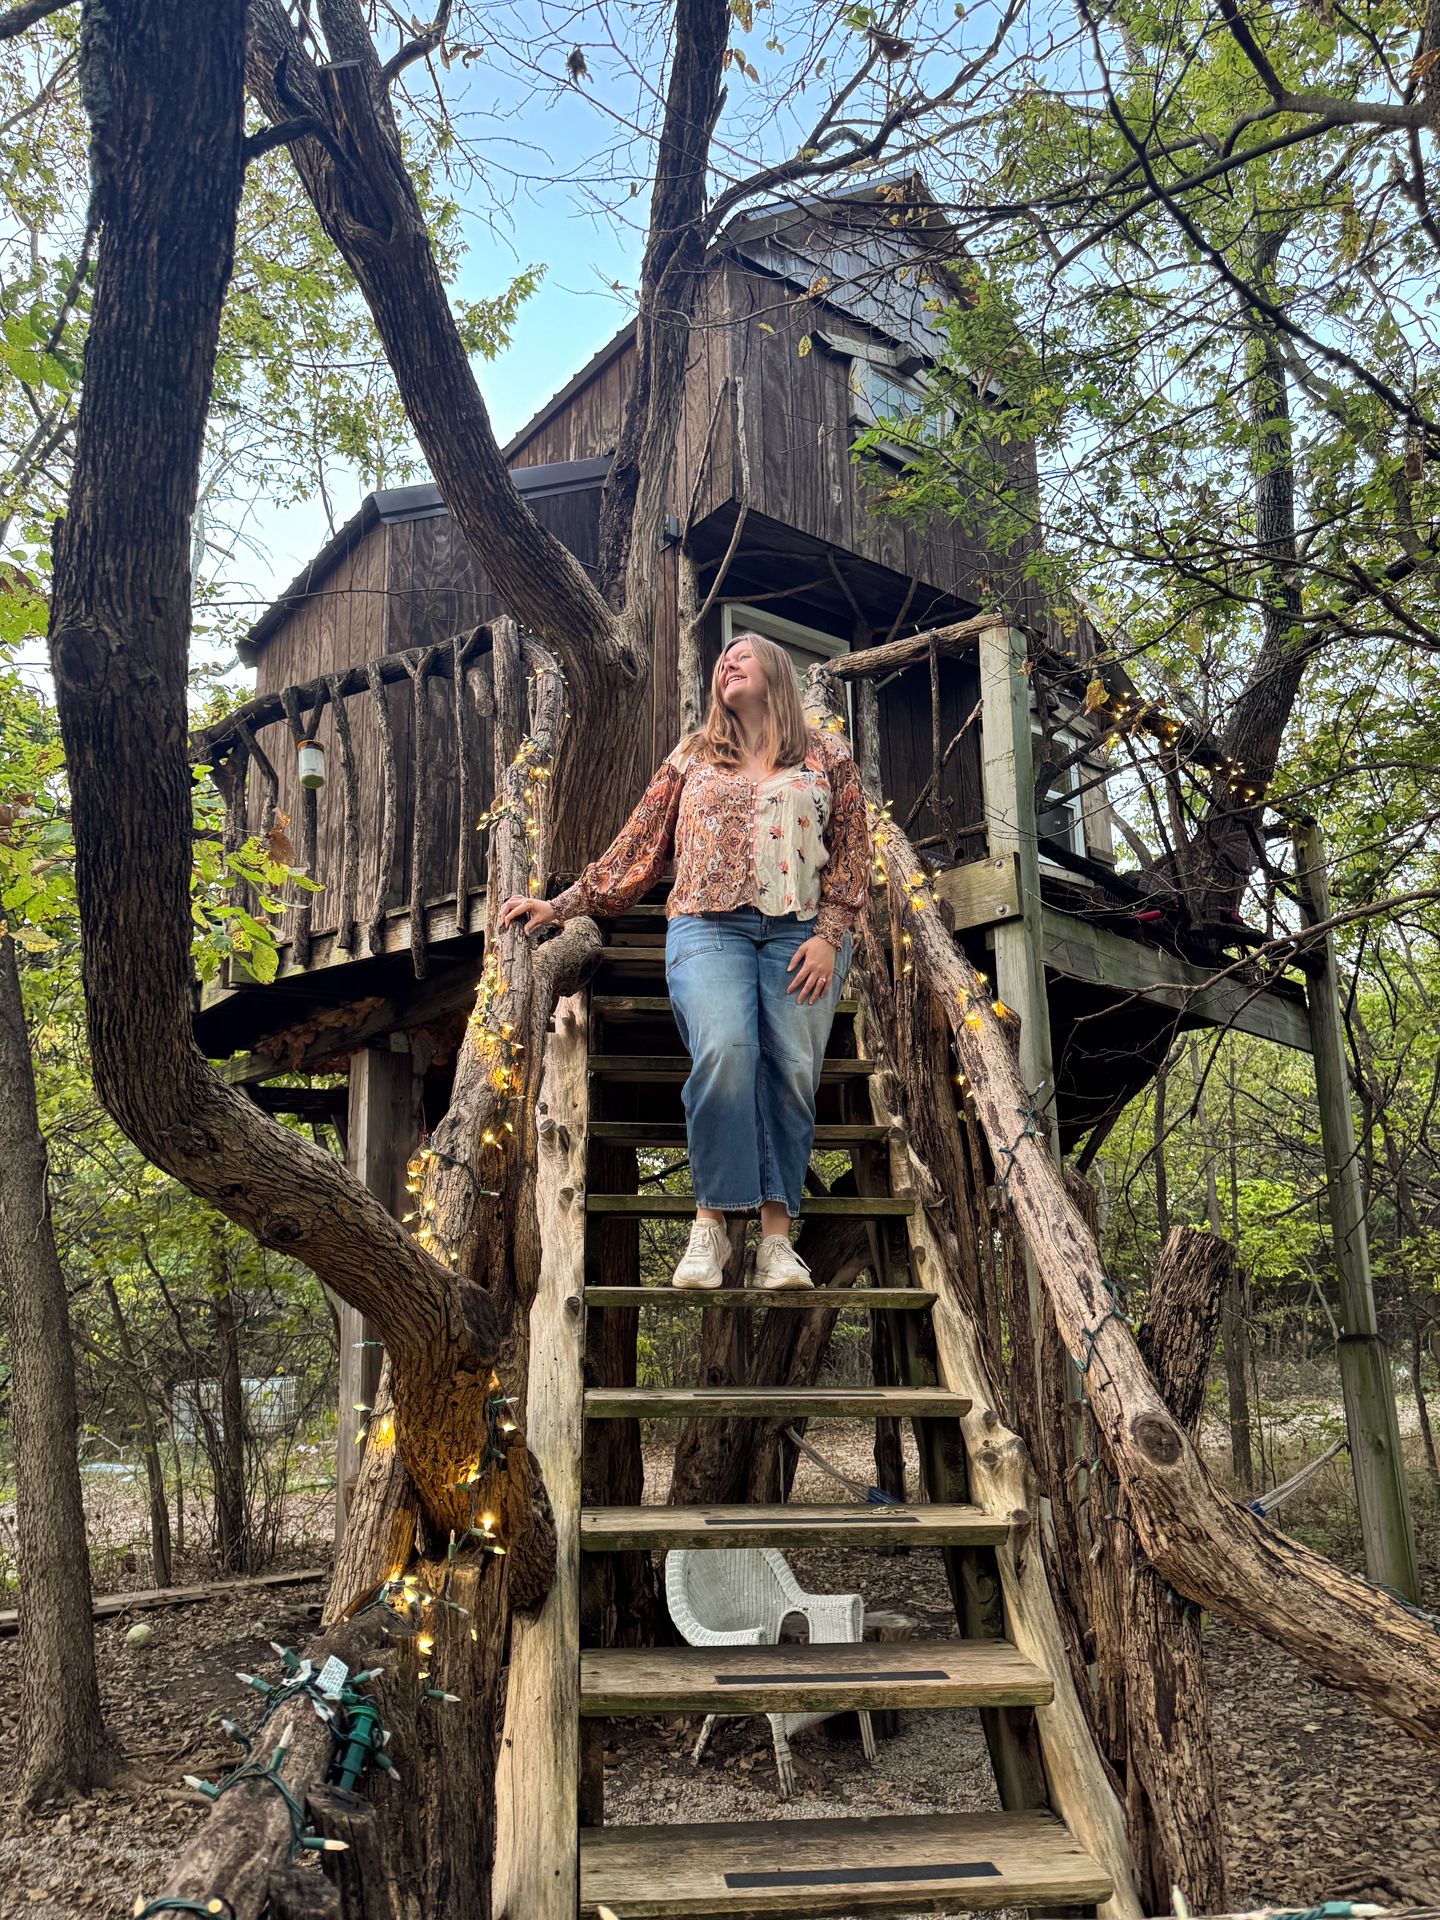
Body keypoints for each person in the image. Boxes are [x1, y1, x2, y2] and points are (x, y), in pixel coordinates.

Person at [499, 631, 870, 1291]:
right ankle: (712, 1227)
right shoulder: (692, 755)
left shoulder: (828, 754)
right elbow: (639, 844)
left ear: (777, 672)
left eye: (744, 653)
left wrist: (832, 931)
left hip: (804, 936)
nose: (729, 660)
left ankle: (777, 1243)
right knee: (727, 1050)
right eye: (722, 657)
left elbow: (851, 851)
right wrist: (561, 905)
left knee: (789, 1068)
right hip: (706, 927)